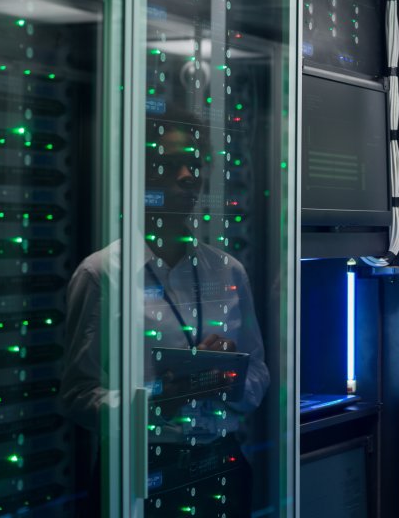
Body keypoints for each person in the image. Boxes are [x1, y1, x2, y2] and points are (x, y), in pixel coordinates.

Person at [59, 108, 269, 516]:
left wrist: (232, 376)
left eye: (194, 163)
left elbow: (259, 373)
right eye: (172, 165)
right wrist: (156, 400)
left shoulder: (227, 270)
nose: (189, 176)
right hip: (142, 467)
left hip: (221, 462)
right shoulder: (103, 273)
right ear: (140, 176)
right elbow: (76, 397)